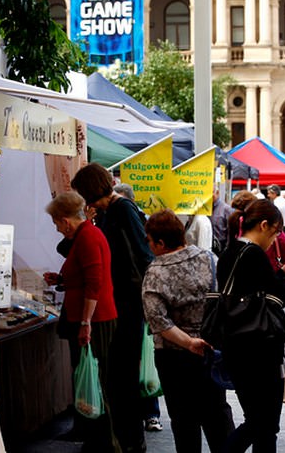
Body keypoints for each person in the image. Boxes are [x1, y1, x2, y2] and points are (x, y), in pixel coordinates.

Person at [71, 163, 154, 453]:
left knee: (124, 376)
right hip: (120, 303)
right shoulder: (109, 212)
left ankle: (132, 440)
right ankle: (124, 438)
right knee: (118, 376)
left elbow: (142, 257)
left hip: (127, 304)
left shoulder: (123, 210)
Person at [141, 210, 235, 452]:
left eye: (149, 240)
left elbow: (158, 320)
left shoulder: (156, 272)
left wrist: (187, 342)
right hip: (211, 348)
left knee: (184, 419)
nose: (149, 246)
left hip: (174, 354)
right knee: (216, 411)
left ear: (161, 243)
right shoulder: (209, 258)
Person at [218, 199, 285, 452]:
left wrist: (281, 275)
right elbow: (275, 300)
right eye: (276, 231)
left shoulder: (229, 252)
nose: (276, 237)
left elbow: (254, 293)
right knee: (263, 424)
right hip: (260, 351)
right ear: (264, 225)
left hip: (236, 345)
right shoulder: (253, 254)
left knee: (258, 422)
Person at [44, 191, 120, 453]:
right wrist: (62, 280)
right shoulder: (86, 235)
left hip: (94, 320)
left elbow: (94, 283)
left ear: (65, 220)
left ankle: (106, 443)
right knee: (91, 377)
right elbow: (86, 277)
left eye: (56, 223)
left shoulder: (87, 236)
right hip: (90, 317)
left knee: (95, 379)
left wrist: (86, 323)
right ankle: (96, 439)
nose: (57, 229)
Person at [112, 183, 163, 433]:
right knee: (141, 359)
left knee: (144, 359)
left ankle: (151, 413)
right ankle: (149, 414)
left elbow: (144, 259)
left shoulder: (132, 218)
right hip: (134, 302)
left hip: (137, 303)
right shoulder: (126, 220)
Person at [210, 185, 234, 255]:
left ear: (217, 193)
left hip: (221, 251)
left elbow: (231, 233)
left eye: (211, 193)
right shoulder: (204, 210)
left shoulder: (226, 209)